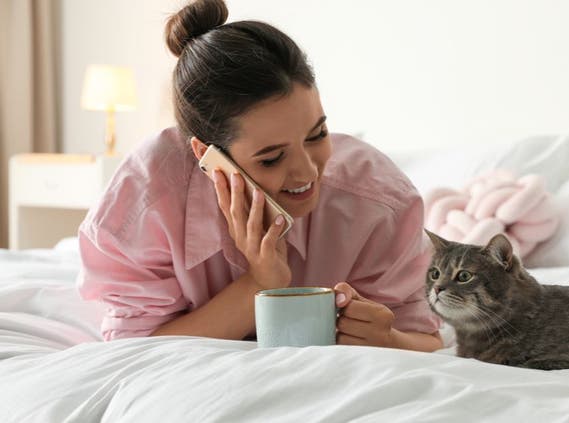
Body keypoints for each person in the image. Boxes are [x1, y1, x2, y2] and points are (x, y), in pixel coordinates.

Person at [76, 0, 442, 352]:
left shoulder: (378, 202)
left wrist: (389, 341)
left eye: (317, 135)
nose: (308, 171)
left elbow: (425, 338)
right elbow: (134, 349)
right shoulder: (146, 200)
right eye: (271, 158)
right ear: (208, 157)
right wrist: (261, 282)